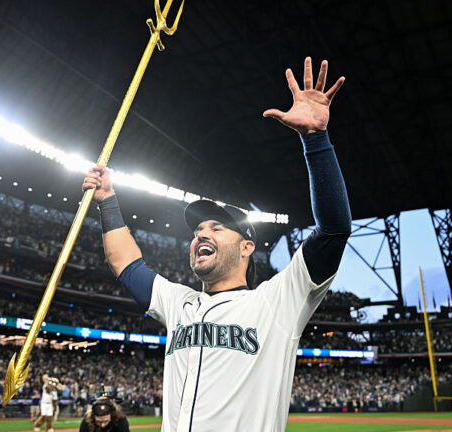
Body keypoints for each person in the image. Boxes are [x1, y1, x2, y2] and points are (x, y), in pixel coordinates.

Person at [83, 57, 350, 431]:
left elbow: (334, 231)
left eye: (217, 229)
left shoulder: (277, 301)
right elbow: (126, 264)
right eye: (197, 231)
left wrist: (316, 140)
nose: (201, 235)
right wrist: (108, 200)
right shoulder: (179, 303)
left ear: (246, 247)